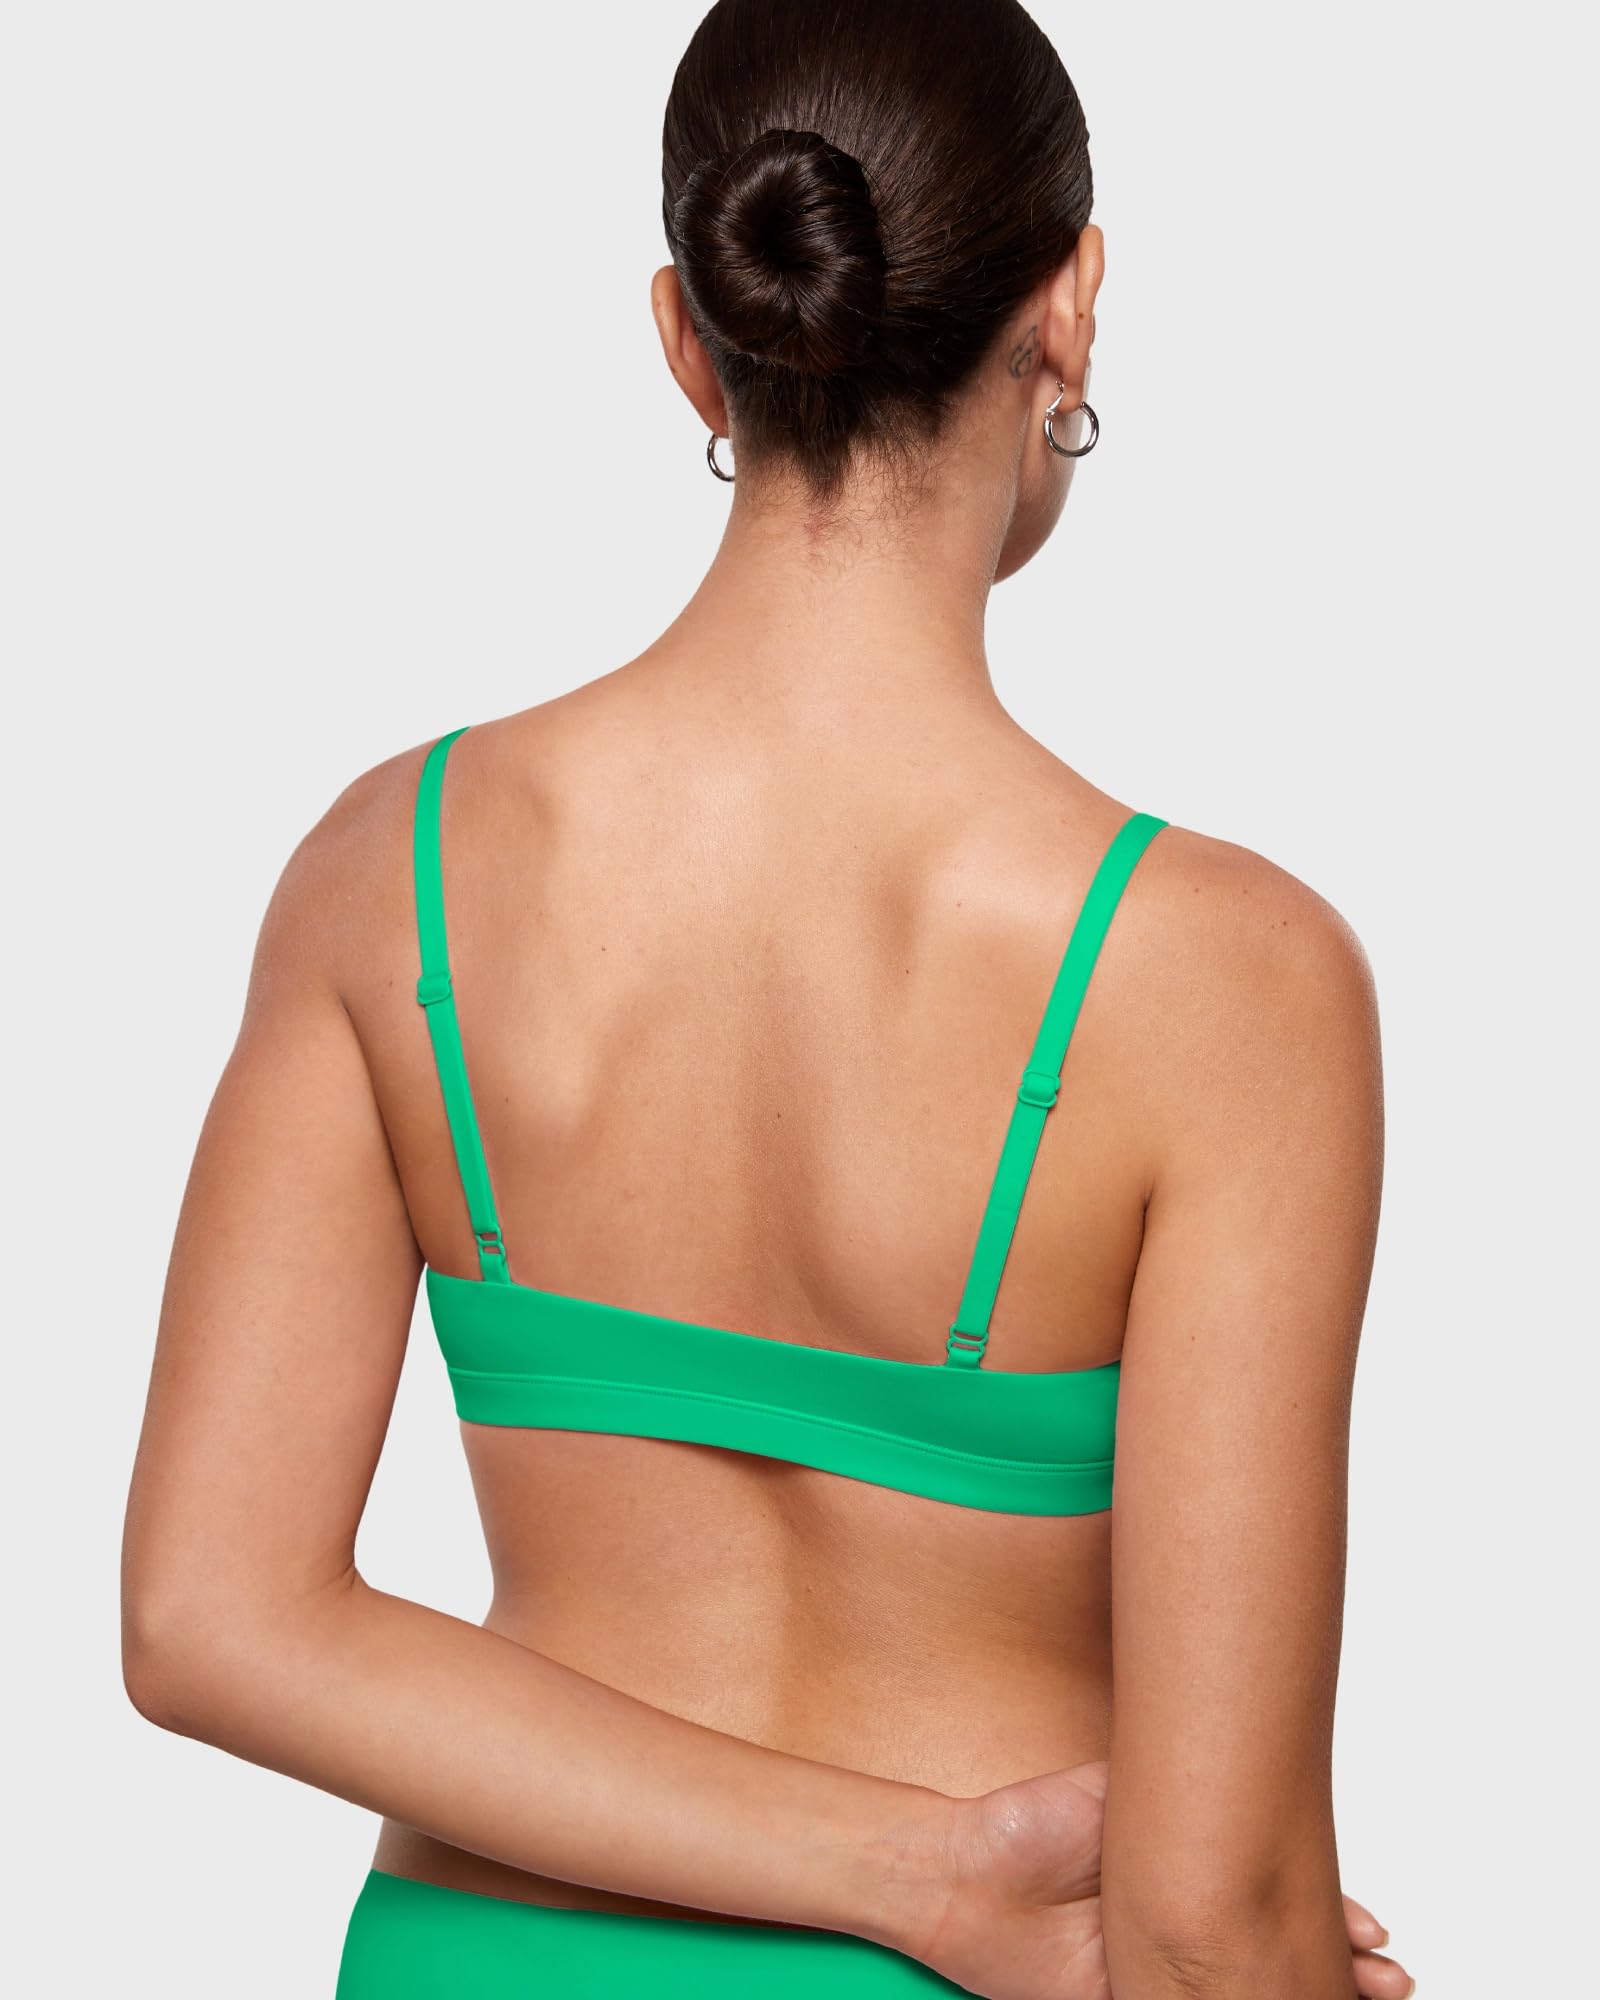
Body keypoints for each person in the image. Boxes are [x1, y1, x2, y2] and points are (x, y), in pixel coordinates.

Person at [121, 3, 1413, 1995]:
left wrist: (915, 1871)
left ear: (687, 328)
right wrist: (942, 1885)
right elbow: (1206, 1919)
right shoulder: (1227, 980)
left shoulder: (394, 870)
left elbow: (210, 1615)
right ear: (1070, 308)